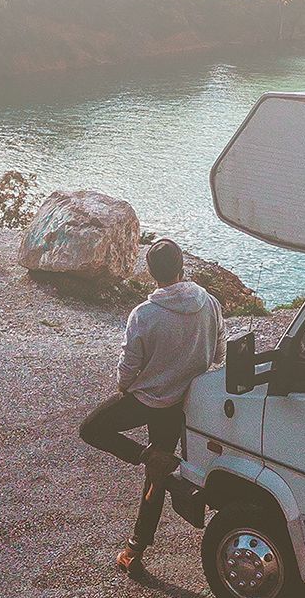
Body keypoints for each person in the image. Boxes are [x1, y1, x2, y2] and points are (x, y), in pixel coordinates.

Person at [79, 238, 224, 573]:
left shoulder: (144, 314)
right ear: (182, 267)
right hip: (183, 402)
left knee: (91, 429)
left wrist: (124, 387)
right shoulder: (210, 303)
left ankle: (147, 457)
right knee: (155, 477)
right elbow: (219, 353)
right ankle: (134, 550)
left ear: (150, 272)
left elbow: (128, 366)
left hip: (148, 399)